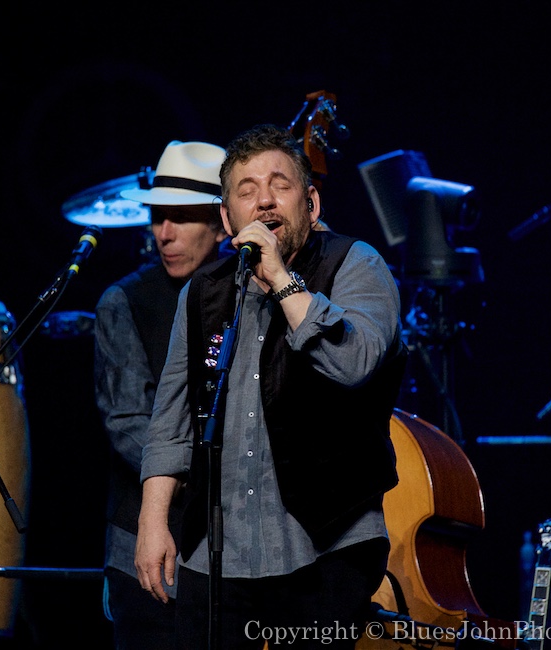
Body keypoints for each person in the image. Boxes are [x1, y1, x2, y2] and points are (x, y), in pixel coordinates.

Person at [134, 124, 408, 649]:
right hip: (216, 553)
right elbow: (170, 419)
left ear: (311, 203)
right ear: (226, 218)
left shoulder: (357, 265)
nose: (264, 201)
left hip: (327, 544)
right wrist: (152, 520)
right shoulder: (203, 292)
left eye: (280, 186)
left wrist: (281, 278)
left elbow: (354, 362)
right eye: (247, 191)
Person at [94, 141, 228, 649]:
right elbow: (129, 421)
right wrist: (212, 467)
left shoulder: (249, 292)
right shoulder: (125, 301)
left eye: (182, 218)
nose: (164, 234)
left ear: (221, 224)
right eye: (157, 217)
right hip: (148, 541)